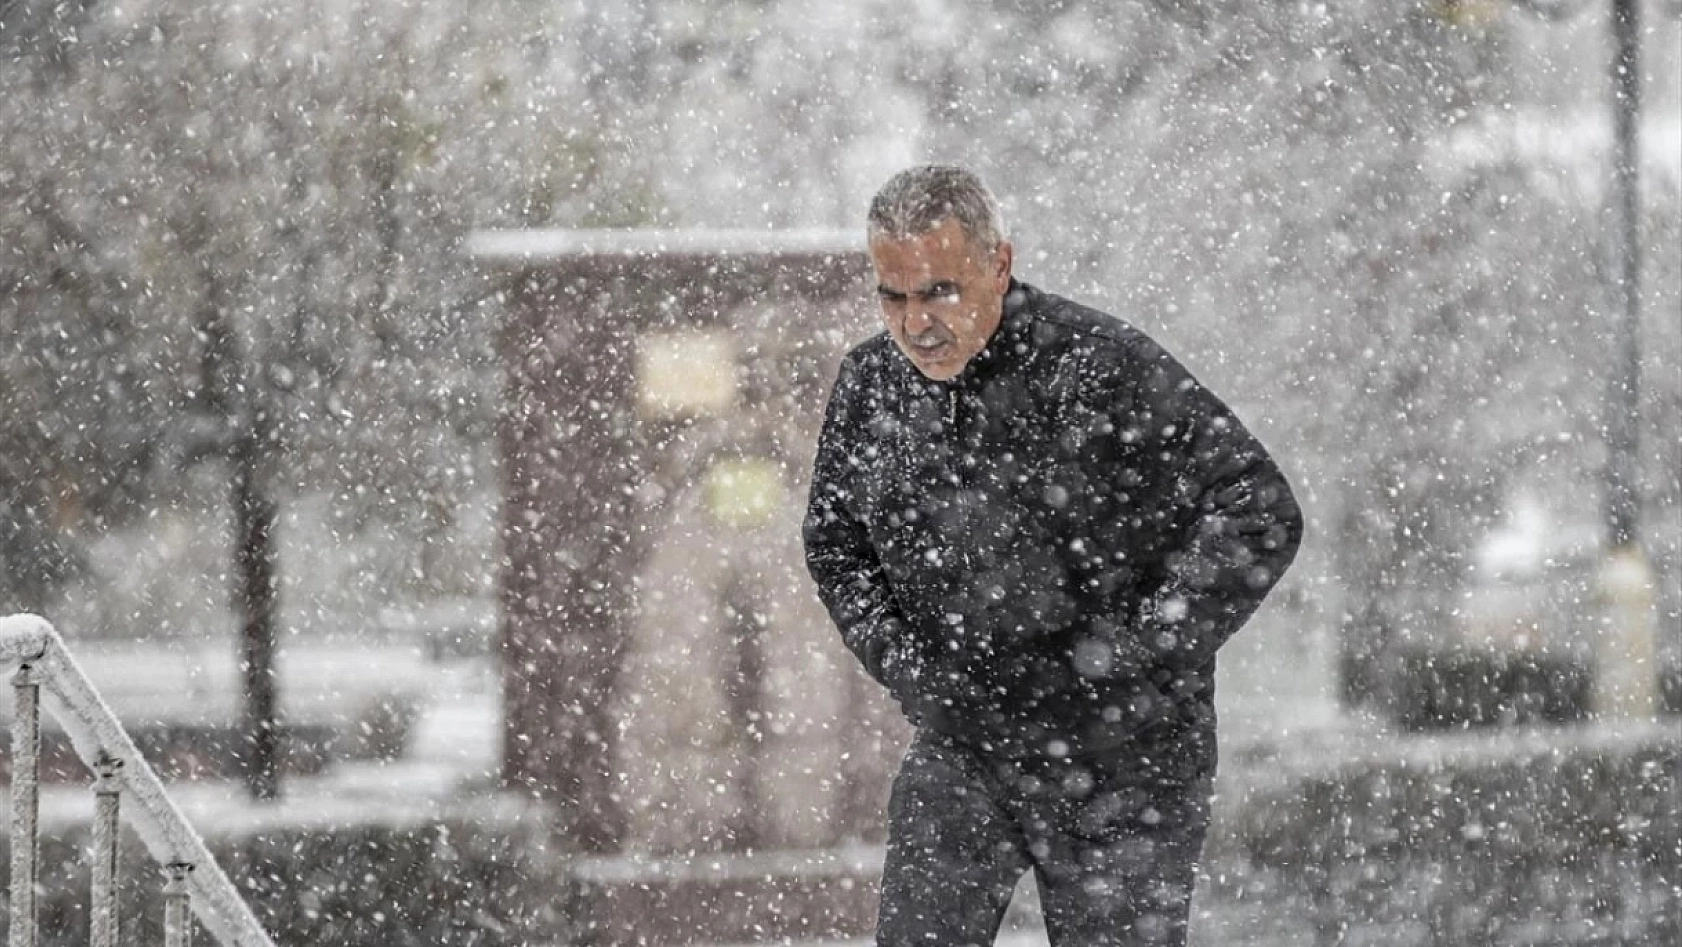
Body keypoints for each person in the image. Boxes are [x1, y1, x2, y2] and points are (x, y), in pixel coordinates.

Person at [803, 166, 1303, 947]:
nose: (915, 323)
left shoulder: (1103, 368)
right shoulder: (872, 386)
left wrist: (1134, 654)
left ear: (1000, 264)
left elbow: (1258, 508)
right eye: (892, 296)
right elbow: (835, 542)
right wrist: (908, 665)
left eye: (939, 291)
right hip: (964, 742)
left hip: (1125, 760)